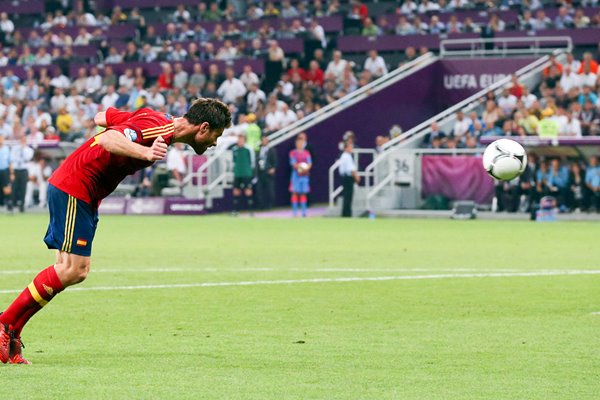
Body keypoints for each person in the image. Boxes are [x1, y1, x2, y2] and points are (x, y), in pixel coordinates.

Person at [0, 98, 231, 364]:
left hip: (81, 188)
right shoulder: (160, 128)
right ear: (203, 128)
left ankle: (12, 332)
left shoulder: (154, 118)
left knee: (70, 269)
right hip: (77, 185)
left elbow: (101, 117)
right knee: (74, 269)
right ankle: (5, 323)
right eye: (216, 135)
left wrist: (128, 129)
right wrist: (144, 153)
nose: (214, 142)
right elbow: (109, 139)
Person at [231, 134, 255, 215]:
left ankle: (251, 211)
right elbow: (233, 162)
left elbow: (252, 162)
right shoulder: (234, 150)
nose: (240, 141)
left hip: (246, 174)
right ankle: (235, 210)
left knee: (248, 191)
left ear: (245, 140)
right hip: (237, 174)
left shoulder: (248, 149)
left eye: (242, 139)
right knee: (236, 191)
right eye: (239, 139)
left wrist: (252, 173)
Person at [289, 135, 312, 217]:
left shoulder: (306, 153)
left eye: (301, 142)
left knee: (303, 193)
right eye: (298, 142)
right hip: (296, 176)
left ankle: (304, 212)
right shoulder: (293, 153)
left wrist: (305, 169)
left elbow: (309, 164)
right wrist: (300, 167)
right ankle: (295, 213)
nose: (300, 144)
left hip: (304, 176)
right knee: (294, 193)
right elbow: (293, 163)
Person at [10, 135, 34, 213]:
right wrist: (12, 172)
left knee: (23, 188)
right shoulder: (15, 149)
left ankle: (22, 206)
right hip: (16, 170)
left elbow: (27, 158)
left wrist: (23, 149)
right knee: (14, 188)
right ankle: (13, 205)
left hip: (24, 170)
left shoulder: (29, 150)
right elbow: (13, 159)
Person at [339, 141, 360, 217]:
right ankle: (347, 214)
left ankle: (345, 213)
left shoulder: (343, 156)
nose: (352, 148)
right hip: (348, 178)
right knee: (348, 196)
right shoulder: (347, 156)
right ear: (346, 148)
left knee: (346, 196)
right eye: (350, 147)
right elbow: (351, 169)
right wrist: (356, 177)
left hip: (345, 178)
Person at [256, 135, 277, 210]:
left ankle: (270, 205)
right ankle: (261, 206)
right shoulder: (258, 150)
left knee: (269, 190)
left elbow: (275, 161)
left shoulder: (271, 150)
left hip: (268, 173)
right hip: (260, 172)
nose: (264, 141)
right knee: (260, 190)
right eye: (263, 140)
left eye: (265, 140)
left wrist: (273, 168)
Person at [0, 135, 12, 211]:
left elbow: (10, 162)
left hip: (4, 170)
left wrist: (11, 173)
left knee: (6, 188)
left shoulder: (6, 149)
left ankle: (9, 205)